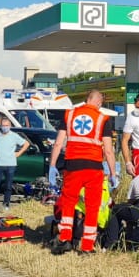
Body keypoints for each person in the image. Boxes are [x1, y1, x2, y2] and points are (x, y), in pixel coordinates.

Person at [47, 89, 119, 254]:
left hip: (72, 165)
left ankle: (65, 239)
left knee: (68, 202)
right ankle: (87, 246)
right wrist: (113, 173)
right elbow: (108, 150)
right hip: (94, 167)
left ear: (87, 99)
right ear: (99, 102)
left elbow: (58, 143)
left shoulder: (69, 115)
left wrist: (52, 165)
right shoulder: (102, 119)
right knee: (92, 206)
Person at [0, 118, 29, 214]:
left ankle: (6, 204)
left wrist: (19, 153)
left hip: (10, 164)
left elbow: (26, 144)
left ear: (10, 126)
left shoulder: (14, 136)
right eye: (3, 125)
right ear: (0, 126)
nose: (5, 127)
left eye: (7, 125)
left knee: (8, 186)